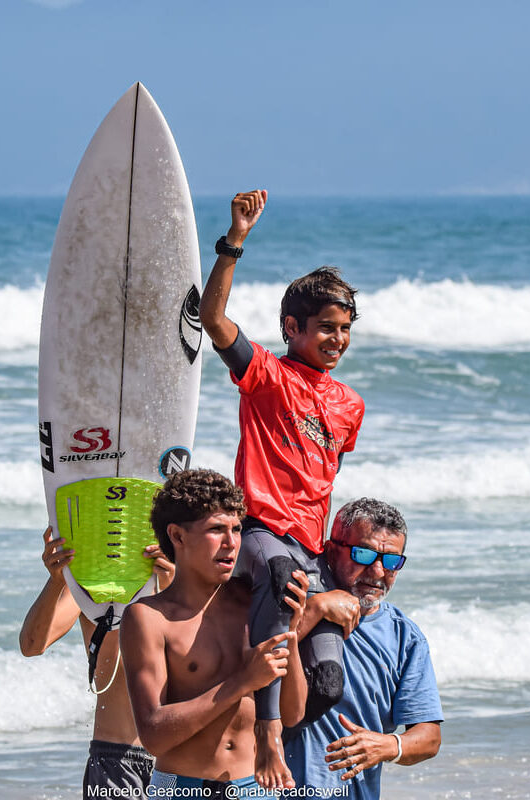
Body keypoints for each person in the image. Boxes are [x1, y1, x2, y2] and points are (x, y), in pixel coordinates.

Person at [199, 189, 365, 786]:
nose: (337, 340)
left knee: (326, 683)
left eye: (345, 330)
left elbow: (321, 477)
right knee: (280, 575)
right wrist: (235, 238)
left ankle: (271, 752)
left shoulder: (351, 404)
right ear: (291, 327)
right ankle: (266, 738)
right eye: (325, 328)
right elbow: (213, 320)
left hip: (307, 547)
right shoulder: (266, 375)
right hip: (262, 536)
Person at [119, 468, 310, 793]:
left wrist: (289, 631)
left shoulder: (254, 604)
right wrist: (242, 683)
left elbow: (292, 714)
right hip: (182, 788)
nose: (232, 543)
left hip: (256, 788)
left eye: (236, 529)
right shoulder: (148, 618)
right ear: (178, 536)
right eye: (216, 530)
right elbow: (153, 735)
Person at [285, 498, 443, 800]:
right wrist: (315, 609)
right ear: (331, 551)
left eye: (392, 561)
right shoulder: (293, 599)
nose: (378, 571)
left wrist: (388, 746)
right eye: (363, 554)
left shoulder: (404, 638)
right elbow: (247, 665)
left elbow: (429, 738)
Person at [19, 526, 174, 798]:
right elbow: (32, 645)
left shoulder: (183, 577)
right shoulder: (92, 583)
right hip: (116, 761)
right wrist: (57, 581)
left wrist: (172, 583)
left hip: (179, 762)